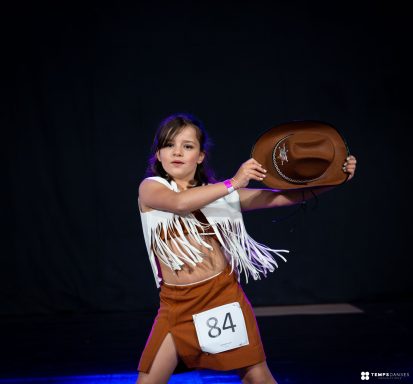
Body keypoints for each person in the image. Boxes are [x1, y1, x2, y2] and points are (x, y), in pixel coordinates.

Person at [136, 113, 357, 384]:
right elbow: (180, 203)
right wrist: (233, 183)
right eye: (169, 145)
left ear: (201, 156)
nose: (177, 151)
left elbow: (281, 199)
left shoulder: (219, 195)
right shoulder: (151, 188)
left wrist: (336, 178)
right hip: (176, 304)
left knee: (258, 378)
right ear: (158, 154)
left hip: (220, 297)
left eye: (188, 146)